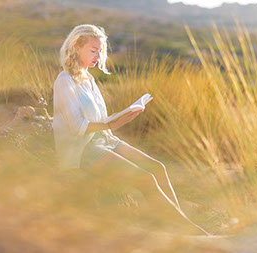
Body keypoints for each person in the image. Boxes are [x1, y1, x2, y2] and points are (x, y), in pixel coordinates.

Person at [52, 24, 210, 236]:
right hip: (83, 149)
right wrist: (111, 124)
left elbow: (100, 119)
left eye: (100, 51)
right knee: (147, 179)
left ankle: (178, 224)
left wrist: (123, 116)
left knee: (158, 168)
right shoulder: (64, 81)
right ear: (76, 46)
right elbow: (76, 126)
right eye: (93, 50)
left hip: (105, 139)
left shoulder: (90, 79)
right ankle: (191, 233)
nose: (98, 55)